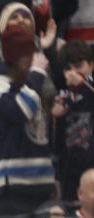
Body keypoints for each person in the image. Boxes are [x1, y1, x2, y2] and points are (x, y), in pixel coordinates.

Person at [0, 24, 56, 218]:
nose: (34, 61)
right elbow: (20, 110)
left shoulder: (34, 81)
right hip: (12, 187)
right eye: (29, 55)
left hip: (42, 184)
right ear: (15, 58)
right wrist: (36, 74)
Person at [51, 39, 94, 201]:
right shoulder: (62, 99)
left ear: (91, 65)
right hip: (71, 176)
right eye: (68, 68)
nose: (73, 72)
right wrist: (57, 179)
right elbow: (57, 145)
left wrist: (84, 83)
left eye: (79, 66)